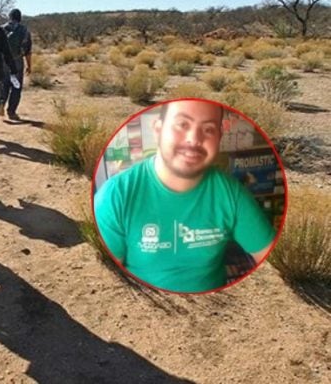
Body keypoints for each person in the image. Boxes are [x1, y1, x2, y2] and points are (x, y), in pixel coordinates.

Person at [93, 99, 276, 293]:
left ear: (219, 137)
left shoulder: (231, 194)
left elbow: (274, 263)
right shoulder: (115, 196)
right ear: (158, 130)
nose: (194, 139)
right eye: (182, 124)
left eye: (208, 129)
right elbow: (106, 283)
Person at [0, 8, 32, 121]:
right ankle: (12, 112)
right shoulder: (24, 30)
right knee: (16, 87)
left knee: (4, 85)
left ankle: (1, 104)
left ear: (10, 17)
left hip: (2, 61)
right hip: (17, 61)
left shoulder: (2, 29)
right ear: (20, 17)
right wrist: (29, 65)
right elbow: (28, 51)